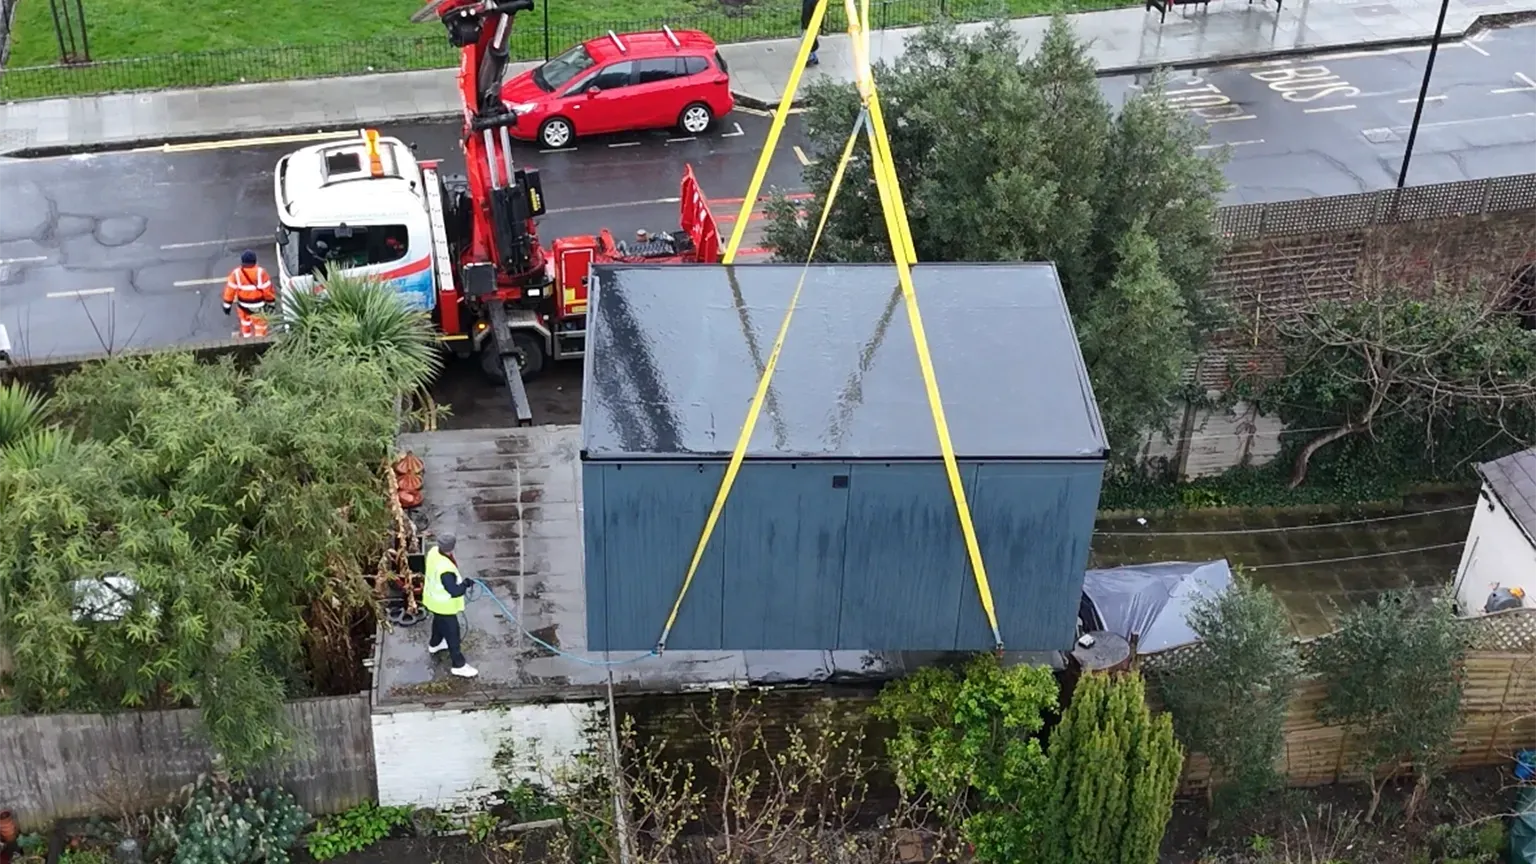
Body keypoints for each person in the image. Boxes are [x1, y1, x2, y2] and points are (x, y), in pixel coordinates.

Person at [423, 533, 478, 678]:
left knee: (438, 622)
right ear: (452, 547)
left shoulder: (433, 552)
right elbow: (454, 591)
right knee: (453, 634)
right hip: (444, 606)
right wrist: (465, 584)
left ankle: (435, 644)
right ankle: (459, 665)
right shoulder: (445, 569)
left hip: (433, 601)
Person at [222, 250, 276, 339]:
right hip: (259, 307)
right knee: (260, 327)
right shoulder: (261, 273)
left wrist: (227, 306)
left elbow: (229, 291)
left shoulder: (236, 274)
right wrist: (271, 304)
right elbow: (268, 291)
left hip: (243, 306)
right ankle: (259, 343)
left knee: (245, 324)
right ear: (255, 261)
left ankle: (247, 340)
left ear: (242, 262)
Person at [801, 0, 821, 66]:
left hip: (811, 25)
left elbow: (819, 13)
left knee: (807, 42)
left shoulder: (815, 2)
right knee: (809, 41)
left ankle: (812, 58)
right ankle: (813, 57)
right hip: (807, 25)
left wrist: (818, 27)